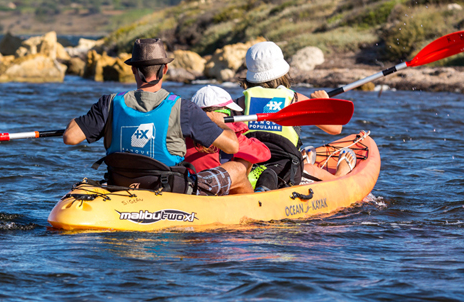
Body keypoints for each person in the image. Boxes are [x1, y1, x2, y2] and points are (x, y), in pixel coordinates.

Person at [63, 38, 241, 196]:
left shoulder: (108, 104)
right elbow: (232, 146)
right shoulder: (184, 108)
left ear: (133, 69)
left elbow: (70, 137)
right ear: (164, 69)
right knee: (237, 169)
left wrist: (77, 122)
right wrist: (219, 122)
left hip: (119, 185)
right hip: (169, 190)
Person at [238, 41, 356, 191]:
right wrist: (323, 102)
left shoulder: (241, 102)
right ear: (282, 72)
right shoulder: (295, 99)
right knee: (309, 170)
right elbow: (335, 128)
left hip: (251, 169)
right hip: (285, 172)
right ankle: (339, 176)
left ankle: (301, 158)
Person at [184, 85, 271, 194]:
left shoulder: (184, 129)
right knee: (245, 160)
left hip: (188, 185)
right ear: (218, 113)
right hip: (216, 190)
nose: (230, 115)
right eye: (229, 112)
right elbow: (264, 154)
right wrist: (233, 128)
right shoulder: (230, 137)